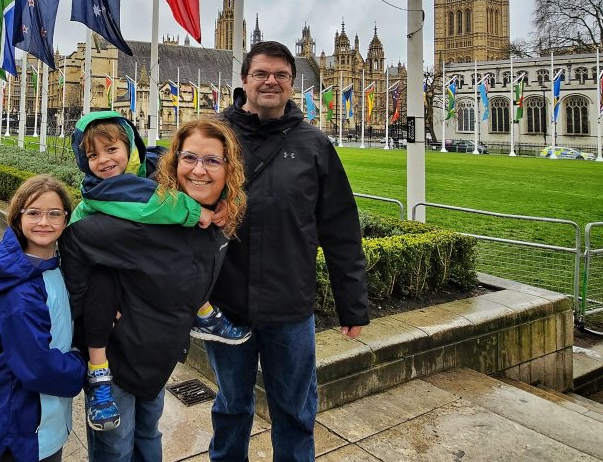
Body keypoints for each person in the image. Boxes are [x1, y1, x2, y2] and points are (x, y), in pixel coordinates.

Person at [208, 40, 370, 461]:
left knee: (295, 412)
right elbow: (171, 189)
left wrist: (352, 303)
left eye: (281, 75)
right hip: (228, 305)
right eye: (261, 73)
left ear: (292, 84)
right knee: (231, 408)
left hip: (290, 306)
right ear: (244, 80)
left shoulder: (314, 143)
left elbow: (340, 228)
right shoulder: (214, 136)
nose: (271, 81)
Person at [60, 117, 246, 462]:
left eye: (211, 160)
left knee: (148, 433)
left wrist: (218, 204)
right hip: (118, 352)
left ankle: (204, 315)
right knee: (116, 446)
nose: (199, 170)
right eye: (190, 158)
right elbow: (73, 241)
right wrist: (87, 308)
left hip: (157, 352)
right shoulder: (134, 212)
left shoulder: (175, 199)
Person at [0, 175, 86, 462]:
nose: (44, 222)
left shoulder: (51, 266)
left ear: (66, 219)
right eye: (34, 213)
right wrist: (82, 365)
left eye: (54, 214)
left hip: (42, 418)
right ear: (18, 218)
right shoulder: (21, 291)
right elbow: (37, 366)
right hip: (22, 427)